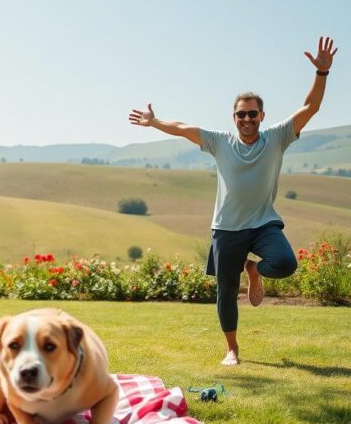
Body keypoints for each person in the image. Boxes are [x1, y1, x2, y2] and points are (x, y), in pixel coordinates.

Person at [128, 37, 337, 366]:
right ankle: (232, 350)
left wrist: (321, 74)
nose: (247, 119)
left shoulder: (278, 137)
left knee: (285, 263)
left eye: (253, 114)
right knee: (226, 290)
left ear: (262, 115)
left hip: (263, 223)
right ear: (234, 116)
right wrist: (154, 122)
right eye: (241, 114)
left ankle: (253, 268)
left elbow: (310, 107)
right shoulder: (219, 142)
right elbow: (184, 128)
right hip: (226, 228)